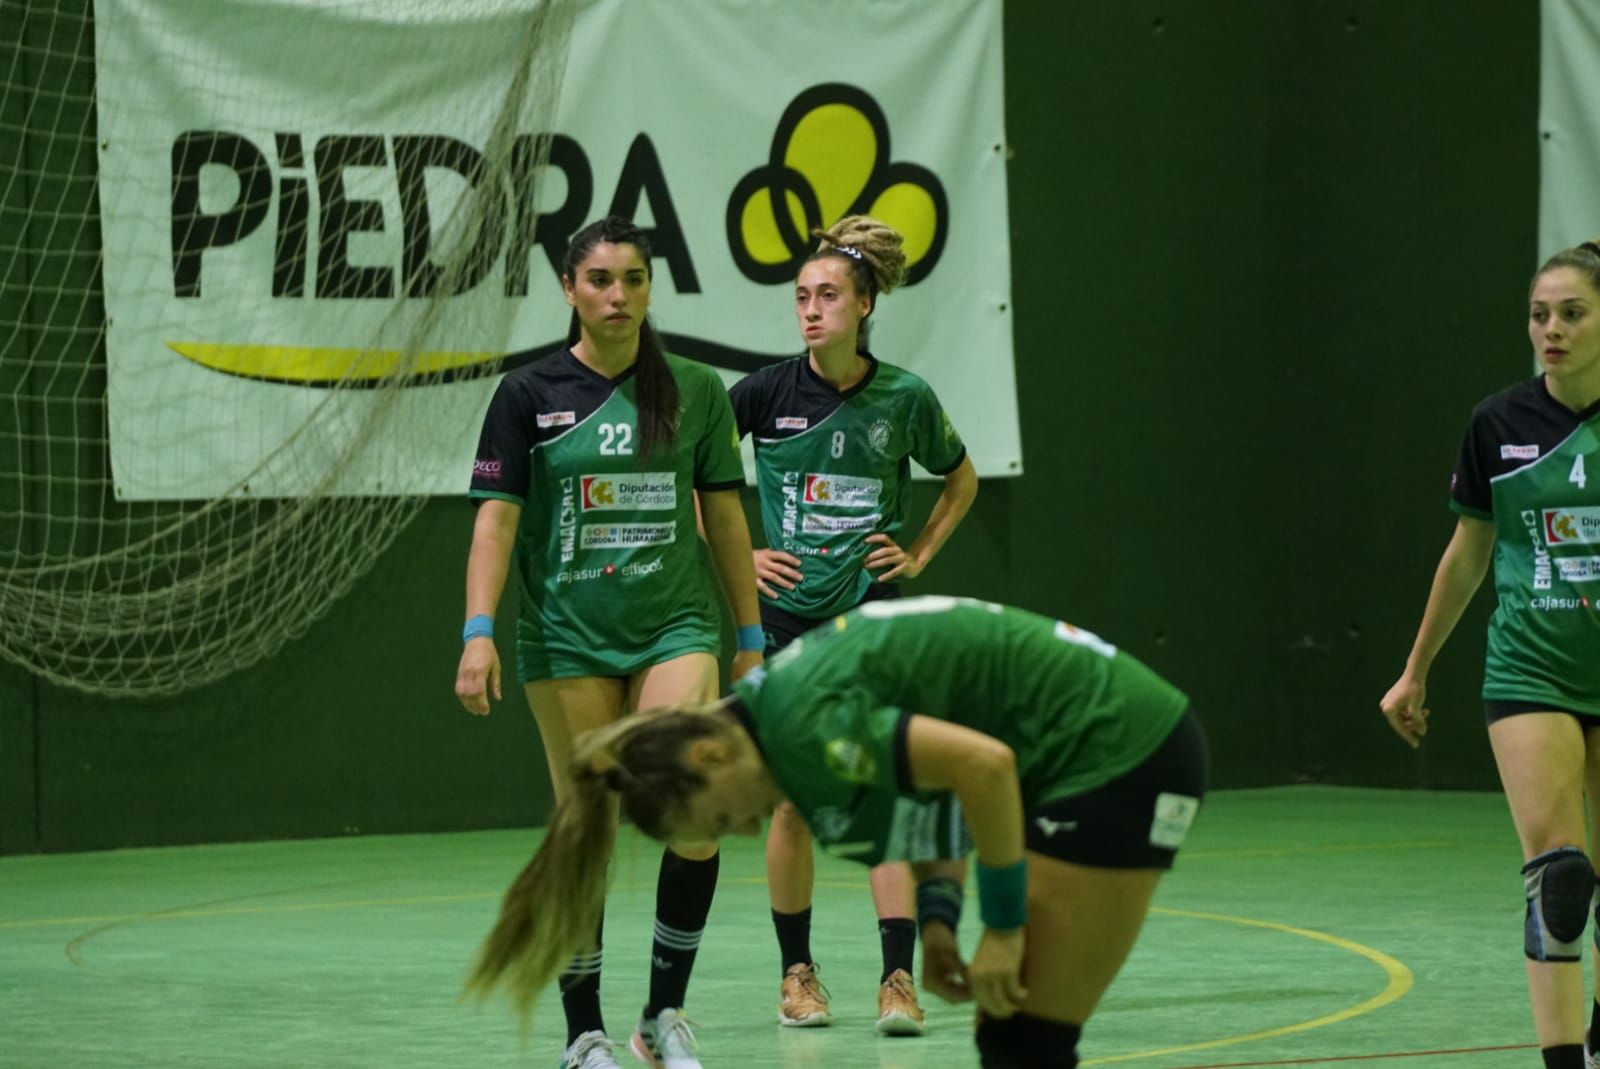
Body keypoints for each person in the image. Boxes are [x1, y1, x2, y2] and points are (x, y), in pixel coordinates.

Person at [465, 595, 1209, 1069]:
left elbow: (986, 768)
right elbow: (940, 799)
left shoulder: (804, 729)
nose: (746, 829)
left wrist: (1007, 926)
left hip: (1120, 748)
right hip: (1088, 748)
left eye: (722, 817)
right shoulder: (775, 719)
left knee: (1028, 1038)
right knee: (1014, 1037)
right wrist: (943, 922)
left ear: (707, 752)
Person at [455, 216, 764, 1069]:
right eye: (599, 280)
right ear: (568, 289)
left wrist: (750, 637)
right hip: (567, 637)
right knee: (584, 820)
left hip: (676, 627)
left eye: (632, 278)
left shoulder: (696, 390)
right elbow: (495, 524)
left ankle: (664, 1015)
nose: (617, 295)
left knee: (692, 803)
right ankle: (583, 1031)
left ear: (650, 287)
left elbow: (727, 519)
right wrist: (477, 632)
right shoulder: (526, 395)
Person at [727, 215, 979, 1034]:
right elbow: (688, 472)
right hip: (784, 623)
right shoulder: (766, 392)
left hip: (870, 621)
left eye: (827, 294)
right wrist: (742, 558)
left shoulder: (903, 398)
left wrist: (919, 553)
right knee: (794, 803)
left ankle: (897, 981)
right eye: (801, 296)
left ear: (864, 304)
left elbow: (960, 477)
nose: (810, 308)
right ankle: (797, 975)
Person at [1380, 239, 1600, 1069]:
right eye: (1541, 315)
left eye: (1573, 313)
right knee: (1561, 875)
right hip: (1531, 668)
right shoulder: (1498, 422)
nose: (1553, 329)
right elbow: (1469, 552)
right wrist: (1415, 668)